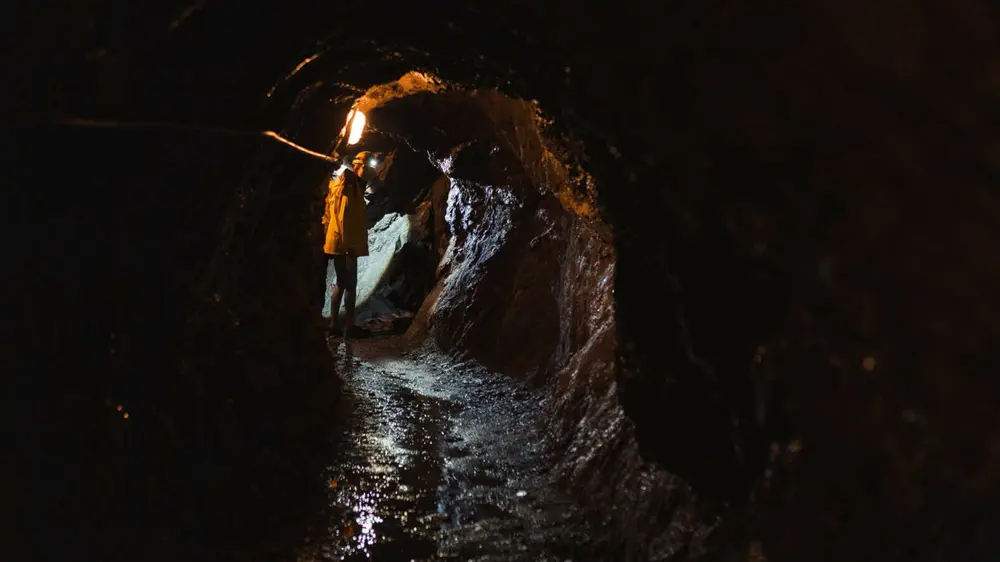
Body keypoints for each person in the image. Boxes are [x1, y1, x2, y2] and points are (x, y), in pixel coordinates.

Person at [322, 151, 371, 337]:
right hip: (346, 243)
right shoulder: (349, 186)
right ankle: (349, 327)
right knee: (350, 284)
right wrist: (348, 244)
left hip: (338, 241)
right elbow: (343, 216)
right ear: (360, 167)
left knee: (341, 283)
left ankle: (335, 325)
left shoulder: (340, 183)